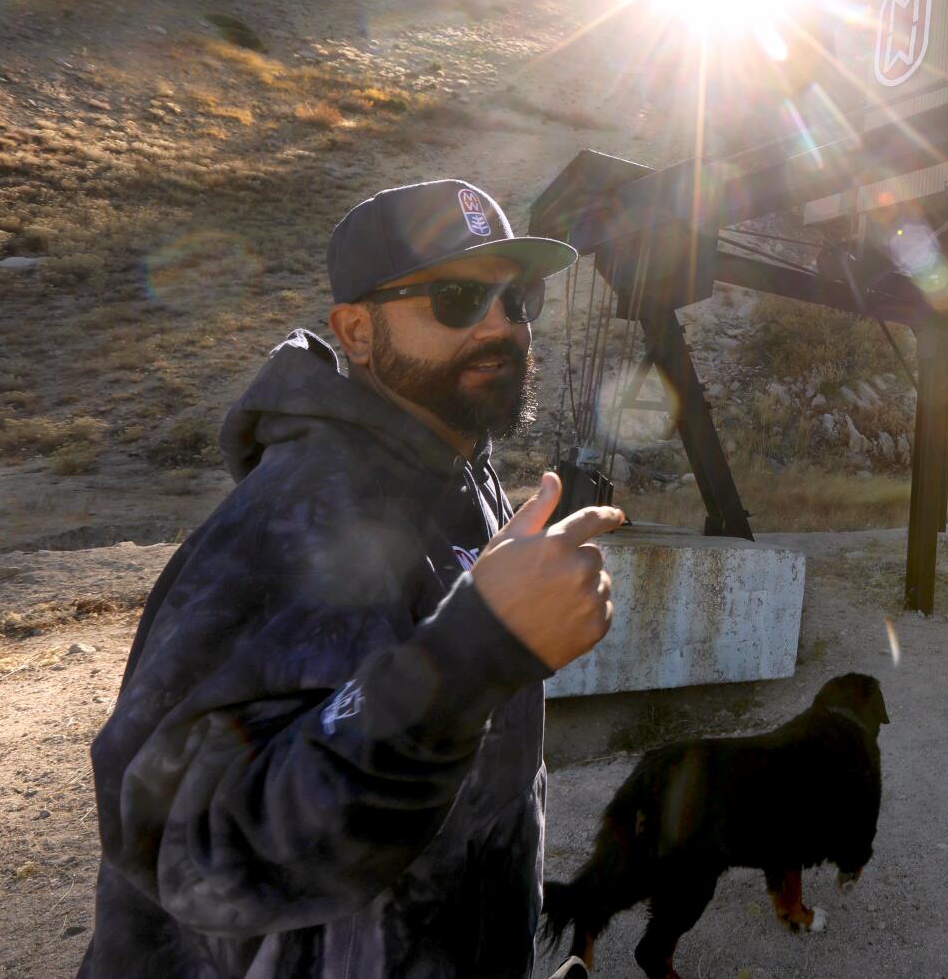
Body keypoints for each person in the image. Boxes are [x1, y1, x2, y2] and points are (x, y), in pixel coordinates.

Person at [82, 179, 620, 978]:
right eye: (457, 296)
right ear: (356, 332)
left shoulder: (460, 471)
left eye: (520, 298)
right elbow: (184, 844)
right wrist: (476, 651)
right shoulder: (288, 518)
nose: (503, 323)